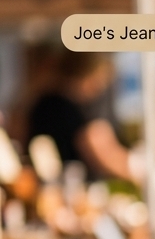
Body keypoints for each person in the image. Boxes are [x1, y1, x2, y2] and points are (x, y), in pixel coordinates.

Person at [28, 50, 136, 182]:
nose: (99, 87)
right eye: (98, 80)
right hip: (64, 182)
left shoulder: (49, 101)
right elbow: (93, 143)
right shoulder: (59, 105)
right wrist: (135, 171)